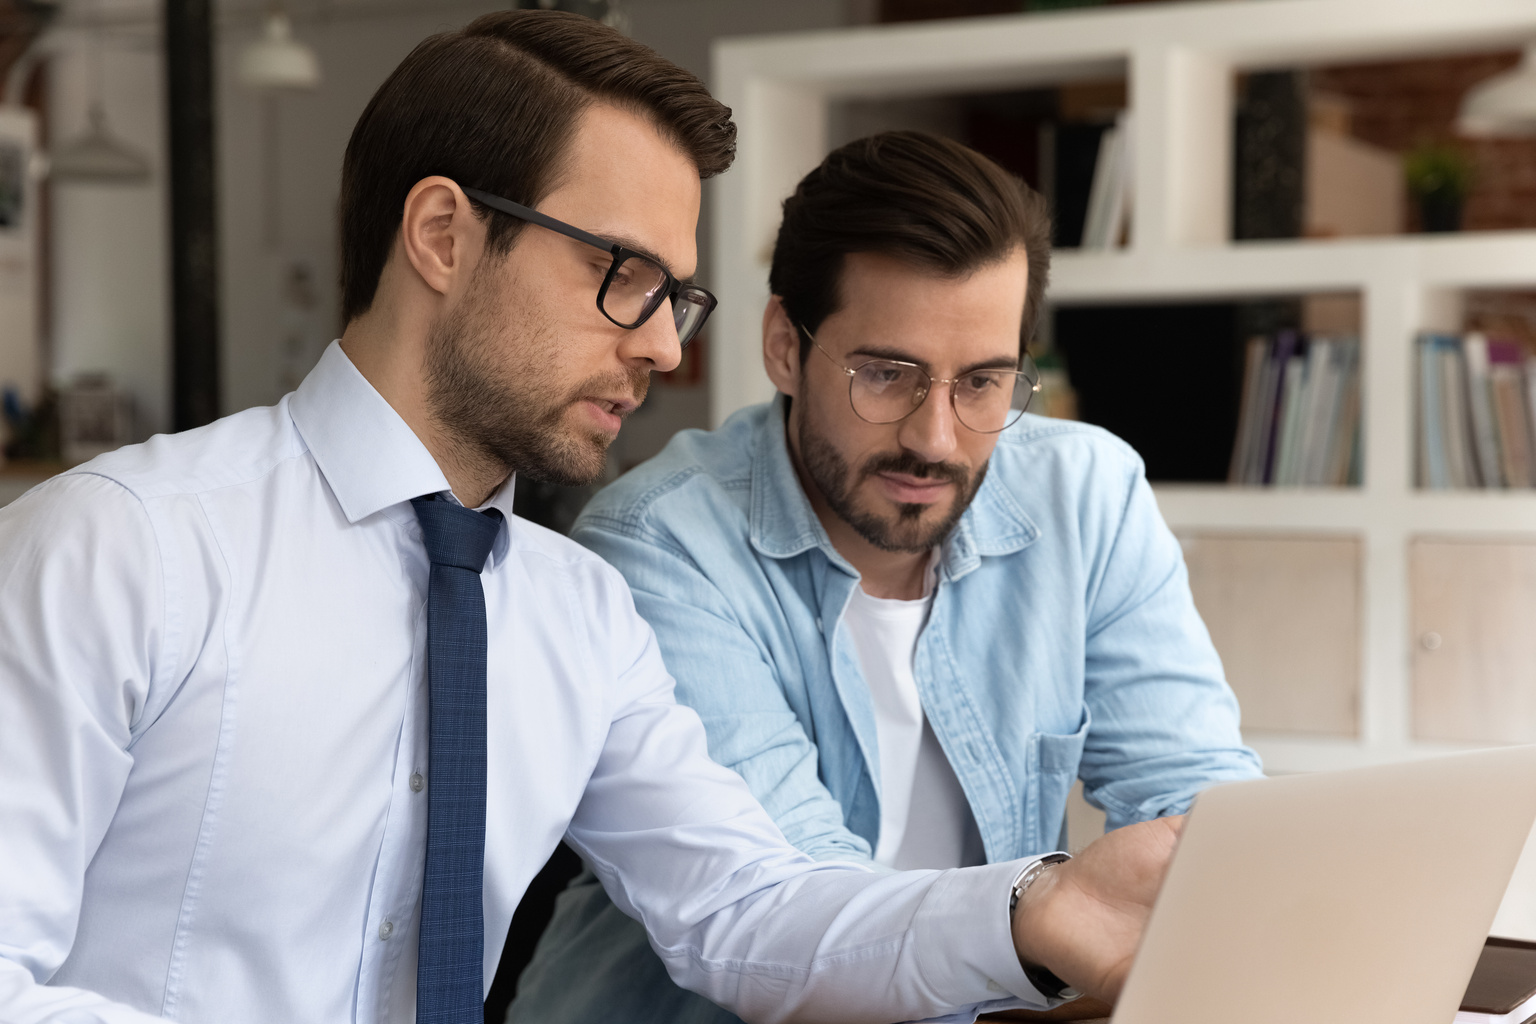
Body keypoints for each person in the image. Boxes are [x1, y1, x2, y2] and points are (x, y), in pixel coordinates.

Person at [0, 13, 1179, 1024]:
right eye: (625, 274)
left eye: (678, 296)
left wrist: (1036, 908)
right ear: (445, 235)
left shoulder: (578, 614)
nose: (665, 347)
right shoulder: (118, 551)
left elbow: (748, 910)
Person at [511, 131, 1264, 1024]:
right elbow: (793, 918)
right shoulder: (659, 546)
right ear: (785, 346)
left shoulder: (1085, 493)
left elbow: (1196, 797)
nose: (935, 439)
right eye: (886, 374)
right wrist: (1050, 925)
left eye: (982, 383)